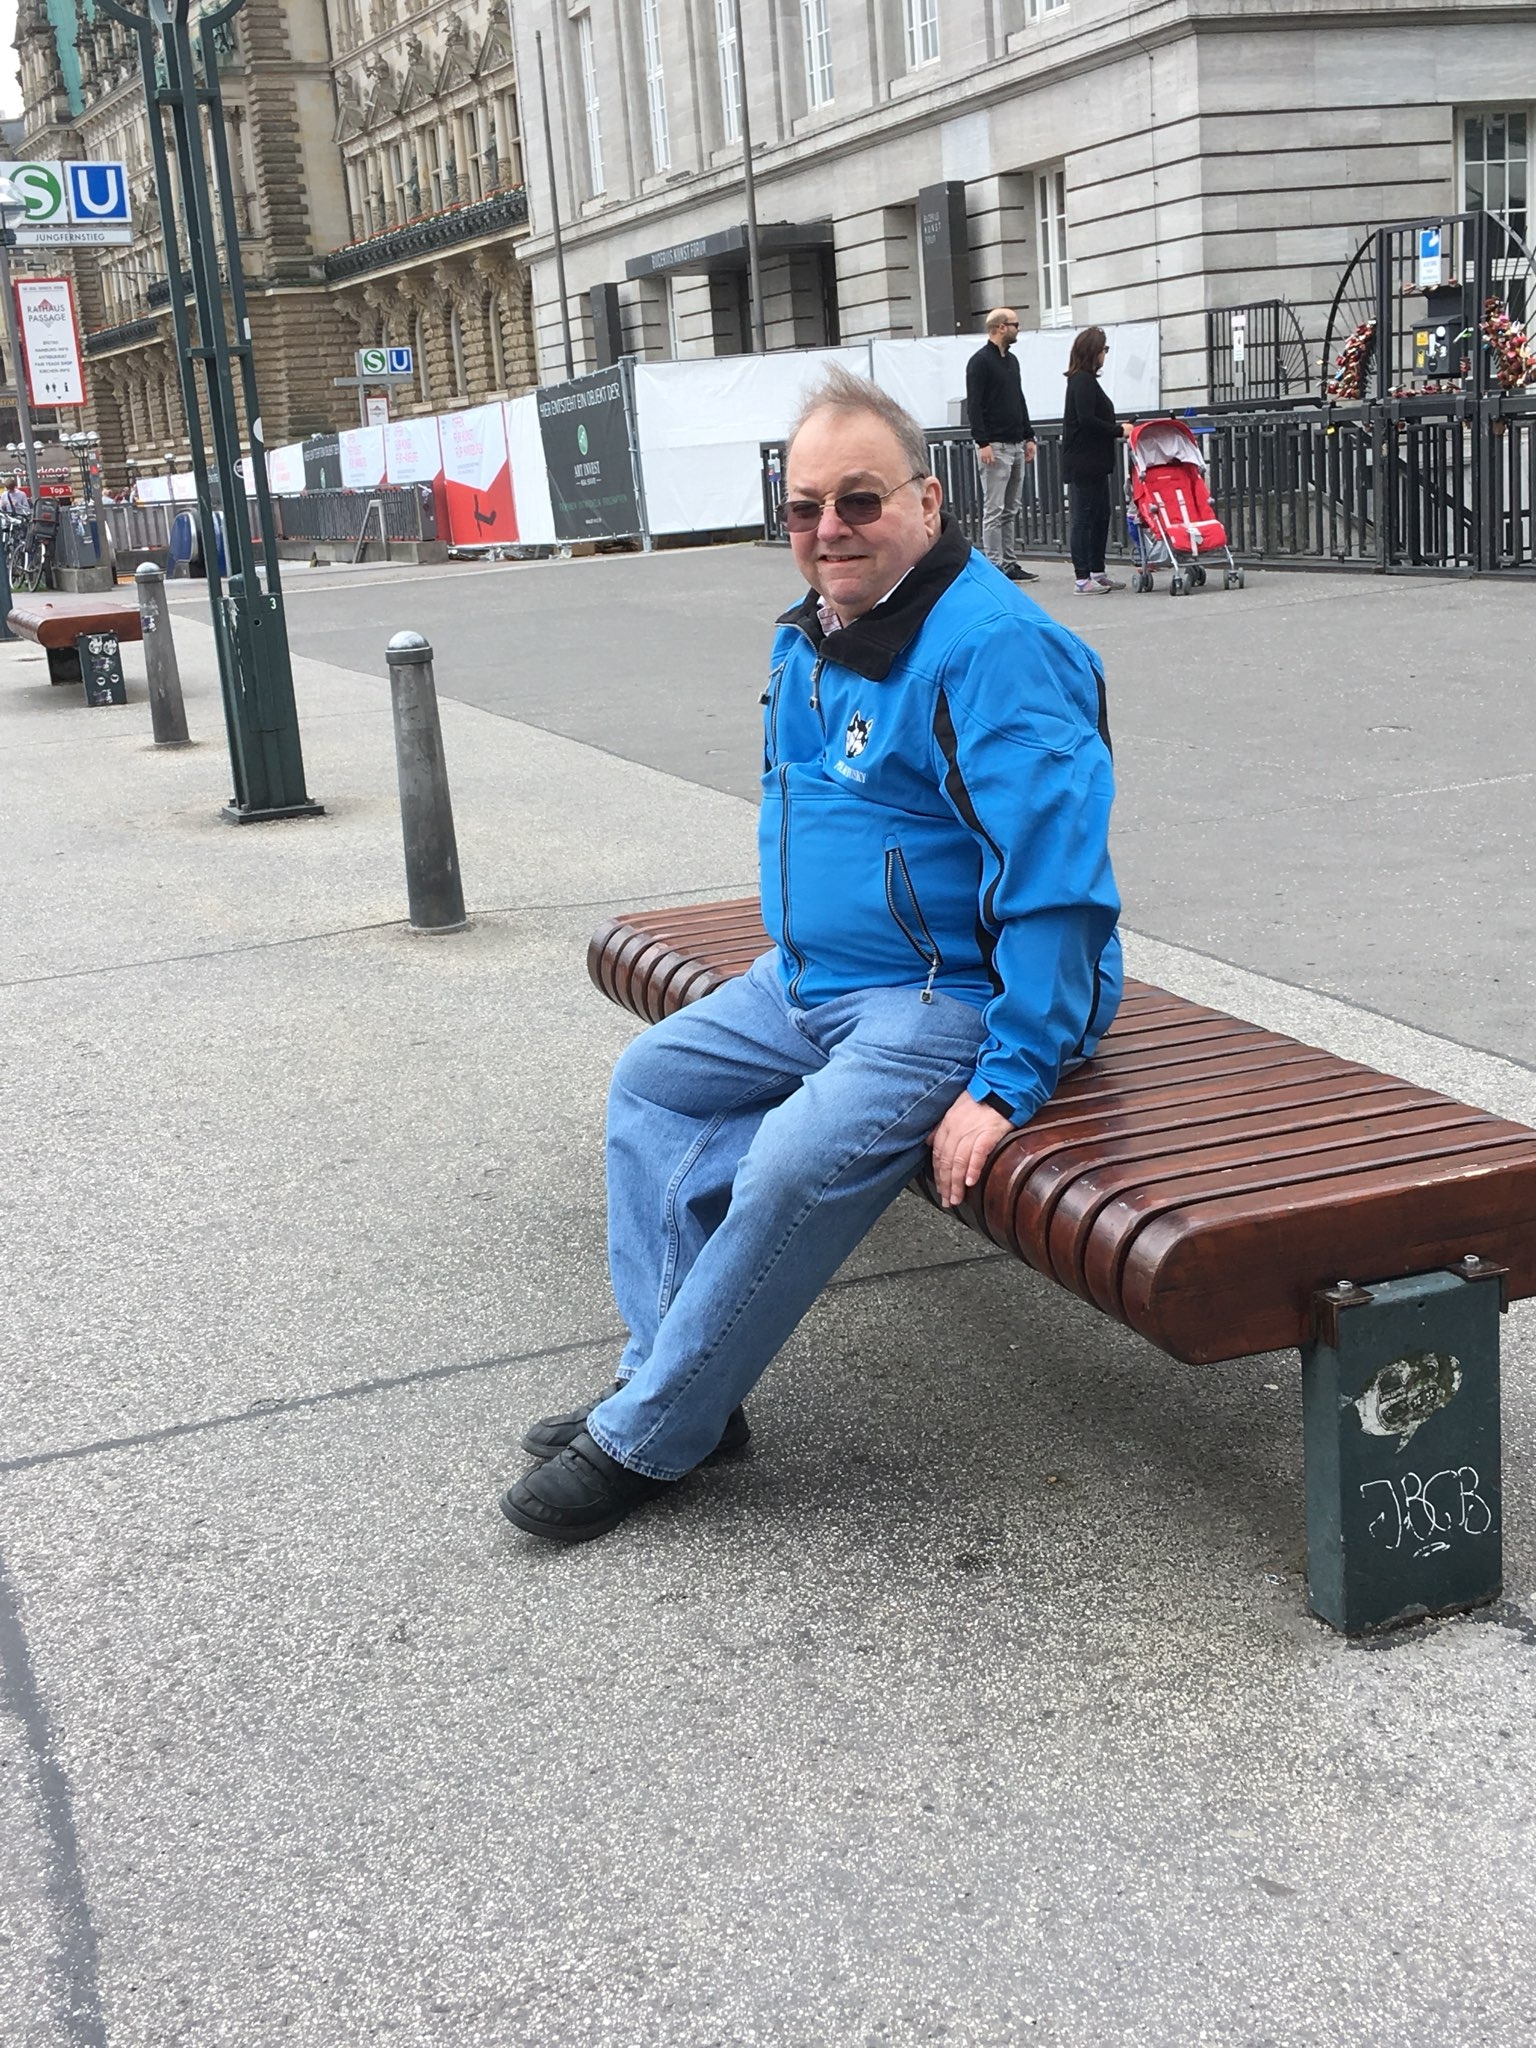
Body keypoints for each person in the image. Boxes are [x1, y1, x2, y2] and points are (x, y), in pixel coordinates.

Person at [500, 366, 1122, 1544]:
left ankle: (652, 1434)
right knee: (655, 1085)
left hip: (956, 993)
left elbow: (1060, 888)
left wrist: (1006, 1080)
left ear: (929, 504)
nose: (827, 529)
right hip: (815, 979)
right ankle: (675, 1378)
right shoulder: (819, 634)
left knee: (788, 1156)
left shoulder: (997, 650)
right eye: (802, 507)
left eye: (858, 501)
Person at [964, 307, 1038, 582]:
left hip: (1016, 442)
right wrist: (982, 441)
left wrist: (1029, 436)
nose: (1018, 329)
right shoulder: (980, 362)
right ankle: (994, 565)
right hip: (995, 444)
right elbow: (975, 404)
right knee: (994, 509)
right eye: (1015, 324)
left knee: (1011, 508)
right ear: (1001, 327)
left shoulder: (1012, 361)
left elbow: (1019, 399)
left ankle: (1009, 561)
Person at [1061, 326, 1123, 595]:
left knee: (1100, 516)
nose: (1105, 355)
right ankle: (1082, 577)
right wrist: (1119, 430)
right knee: (1083, 518)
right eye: (1104, 350)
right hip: (1084, 462)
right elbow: (1086, 420)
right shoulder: (1082, 381)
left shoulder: (1086, 380)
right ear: (1094, 352)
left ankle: (1097, 571)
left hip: (1095, 462)